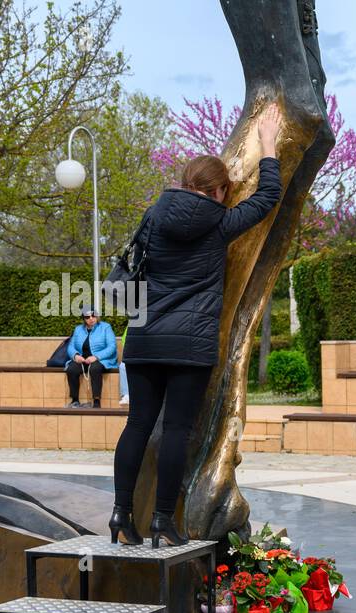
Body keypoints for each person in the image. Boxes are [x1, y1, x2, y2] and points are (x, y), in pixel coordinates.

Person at [110, 102, 283, 547]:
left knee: (137, 425)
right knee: (177, 433)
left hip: (144, 338)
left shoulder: (154, 214)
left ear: (186, 183)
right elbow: (266, 200)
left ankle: (120, 516)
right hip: (189, 345)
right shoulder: (220, 223)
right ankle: (164, 522)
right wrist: (267, 147)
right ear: (221, 191)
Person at [64, 305, 118, 409]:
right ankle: (75, 400)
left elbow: (112, 346)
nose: (91, 319)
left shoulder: (105, 327)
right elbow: (71, 346)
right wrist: (75, 356)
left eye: (93, 316)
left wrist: (96, 357)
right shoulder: (78, 329)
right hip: (83, 359)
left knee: (95, 368)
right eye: (87, 317)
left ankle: (96, 401)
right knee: (72, 369)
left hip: (100, 359)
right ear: (84, 319)